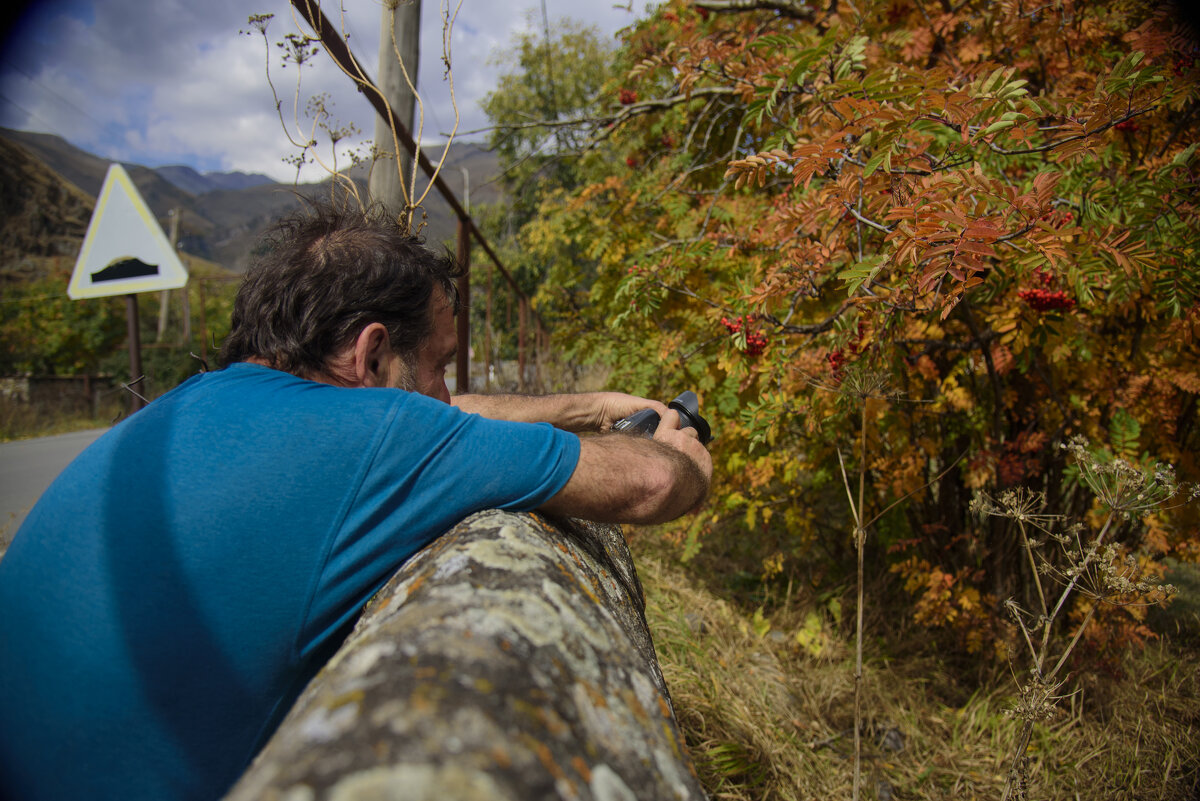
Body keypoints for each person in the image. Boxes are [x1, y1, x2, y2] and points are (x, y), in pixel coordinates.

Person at [0, 203, 711, 801]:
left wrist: (592, 405)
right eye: (435, 361)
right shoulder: (384, 436)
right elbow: (646, 482)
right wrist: (682, 455)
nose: (441, 390)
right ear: (371, 354)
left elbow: (447, 411)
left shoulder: (191, 408)